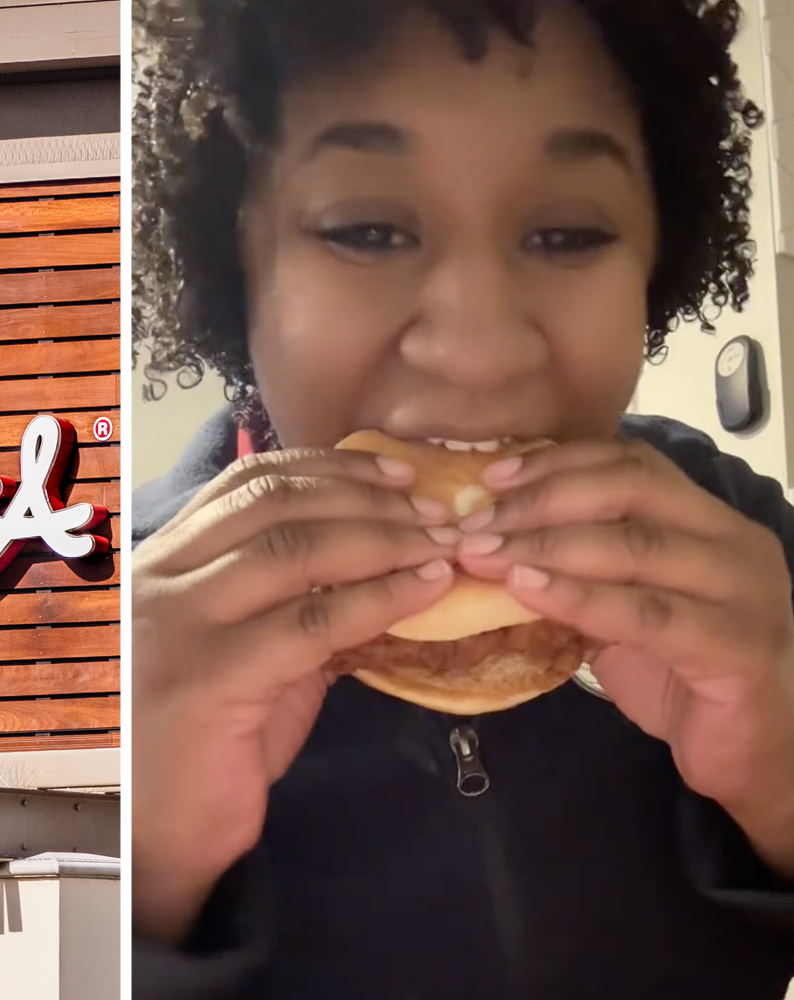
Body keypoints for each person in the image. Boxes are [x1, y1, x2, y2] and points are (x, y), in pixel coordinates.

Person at [130, 0, 794, 996]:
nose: (479, 351)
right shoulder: (125, 634)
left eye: (567, 233)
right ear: (238, 261)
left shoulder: (745, 552)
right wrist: (141, 880)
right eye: (364, 229)